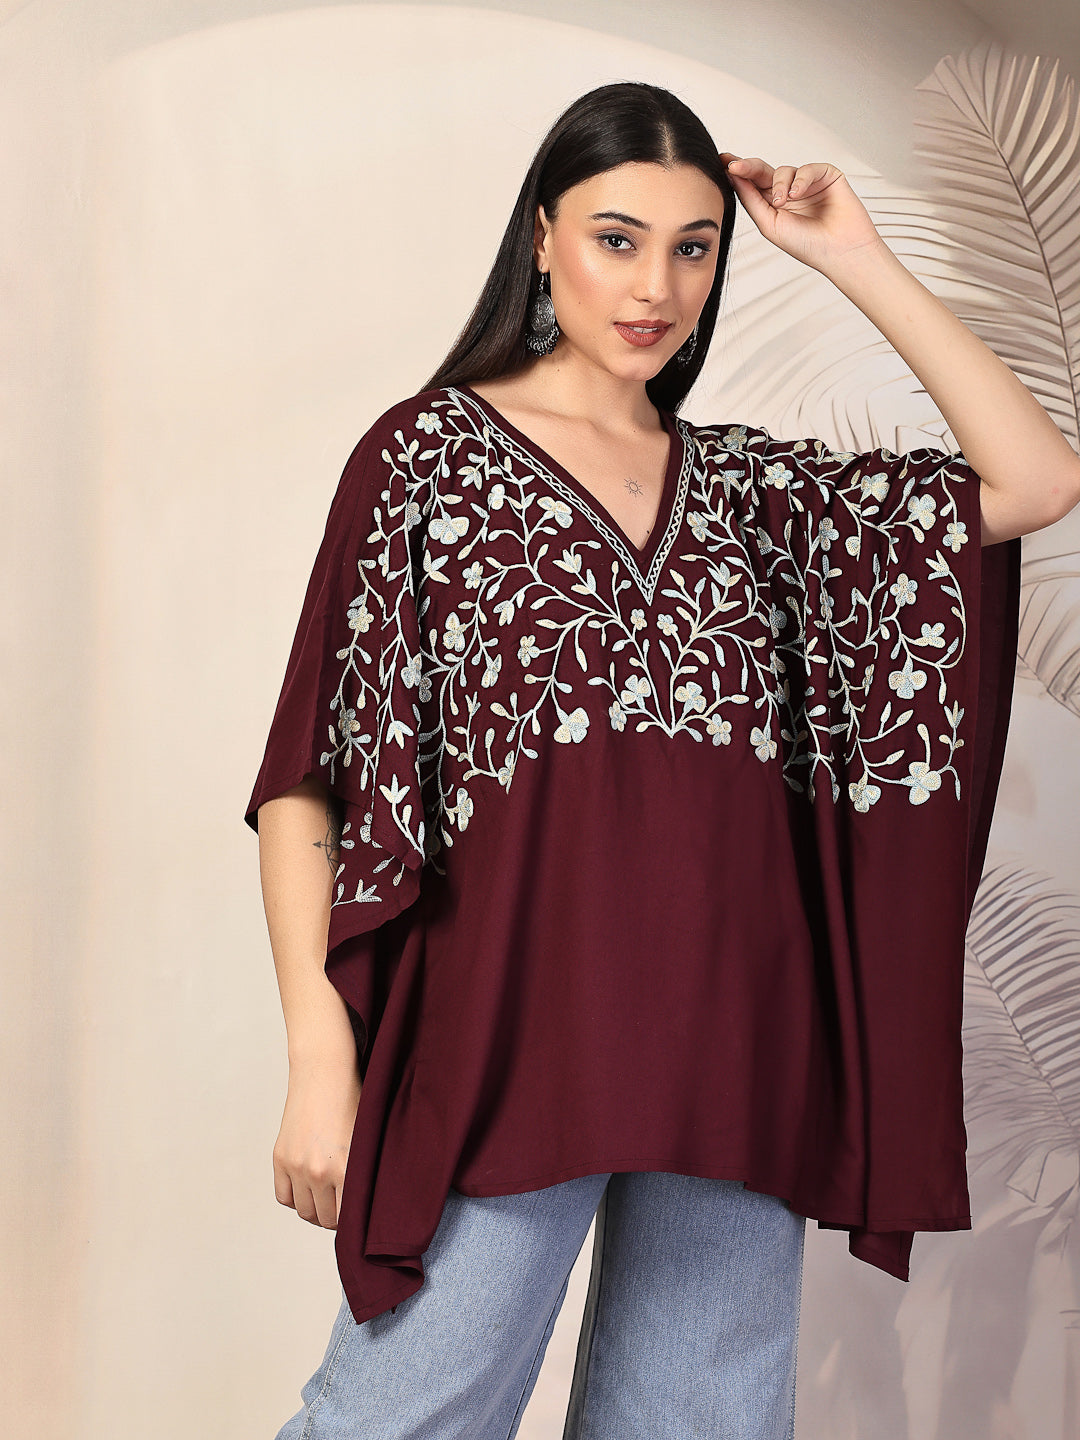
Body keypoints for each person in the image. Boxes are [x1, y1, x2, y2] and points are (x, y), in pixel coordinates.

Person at [244, 81, 1078, 1439]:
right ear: (542, 238)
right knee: (400, 1417)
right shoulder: (425, 462)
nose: (656, 287)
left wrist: (853, 254)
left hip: (737, 1046)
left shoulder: (757, 494)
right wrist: (317, 1056)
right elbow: (307, 781)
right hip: (505, 1038)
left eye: (695, 248)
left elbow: (1034, 481)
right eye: (618, 239)